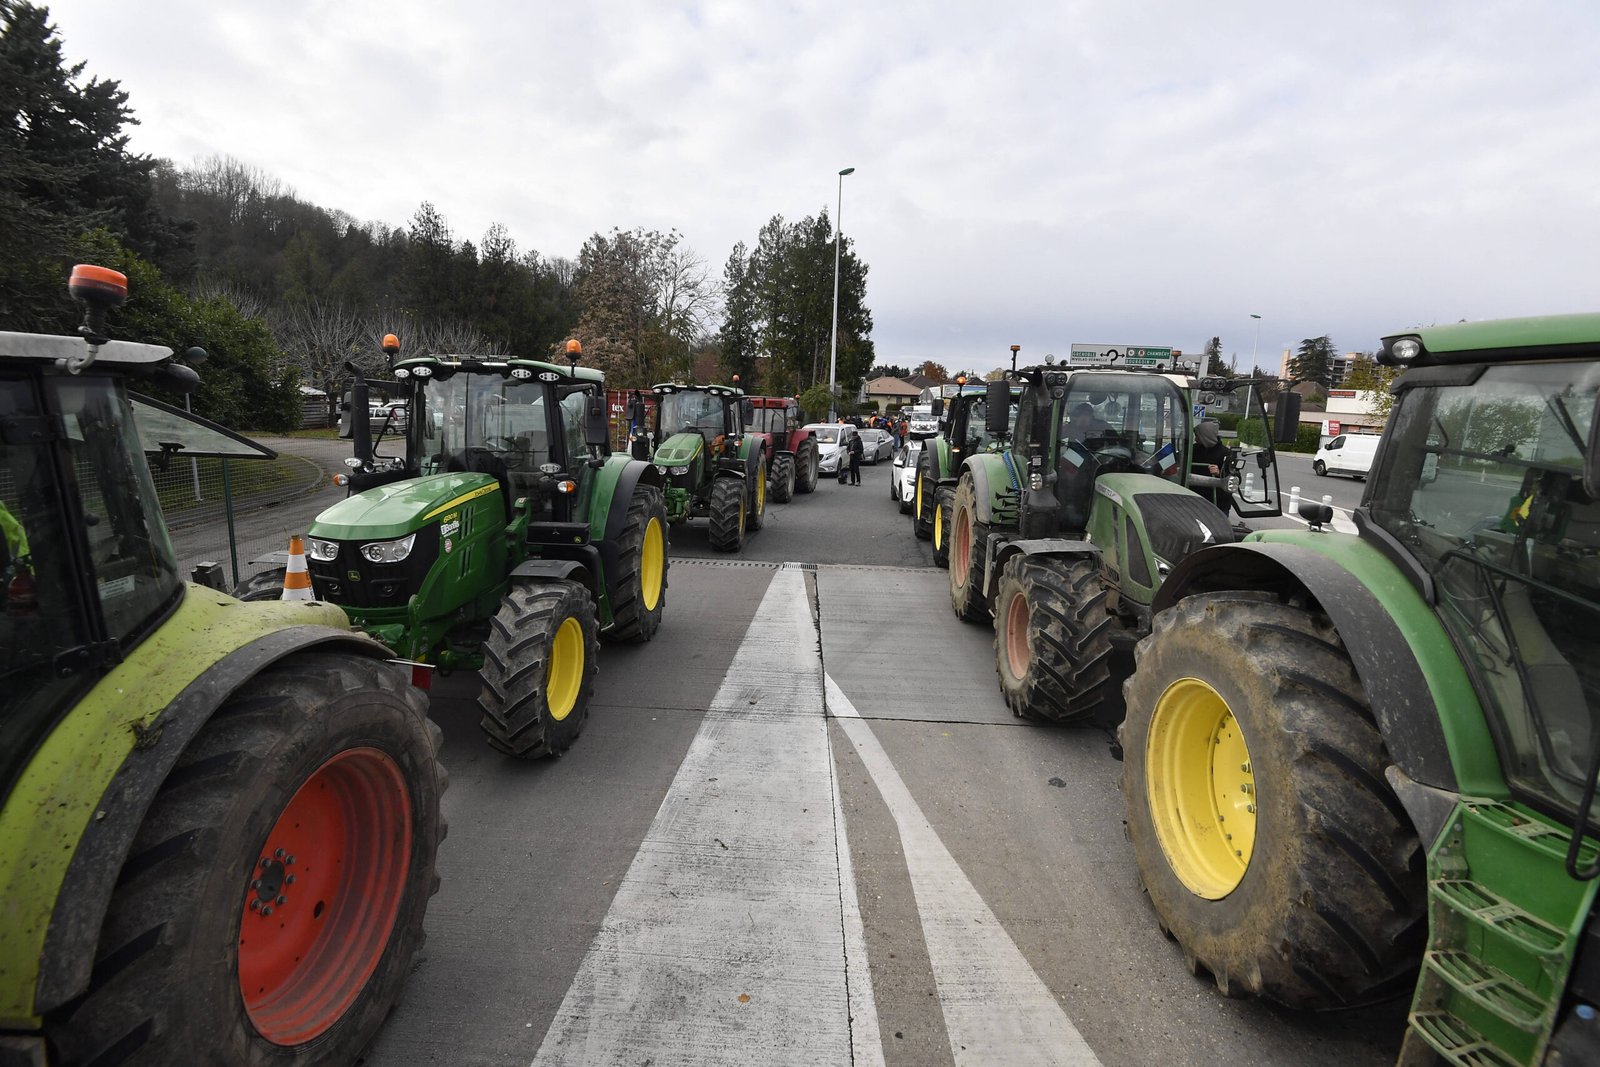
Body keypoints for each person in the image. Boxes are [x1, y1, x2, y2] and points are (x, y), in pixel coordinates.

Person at [1191, 420, 1231, 513]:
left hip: (1217, 504)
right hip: (1195, 501)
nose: (1195, 439)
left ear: (1205, 436)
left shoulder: (1226, 453)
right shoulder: (1193, 450)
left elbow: (1235, 478)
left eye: (1198, 436)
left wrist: (1219, 473)